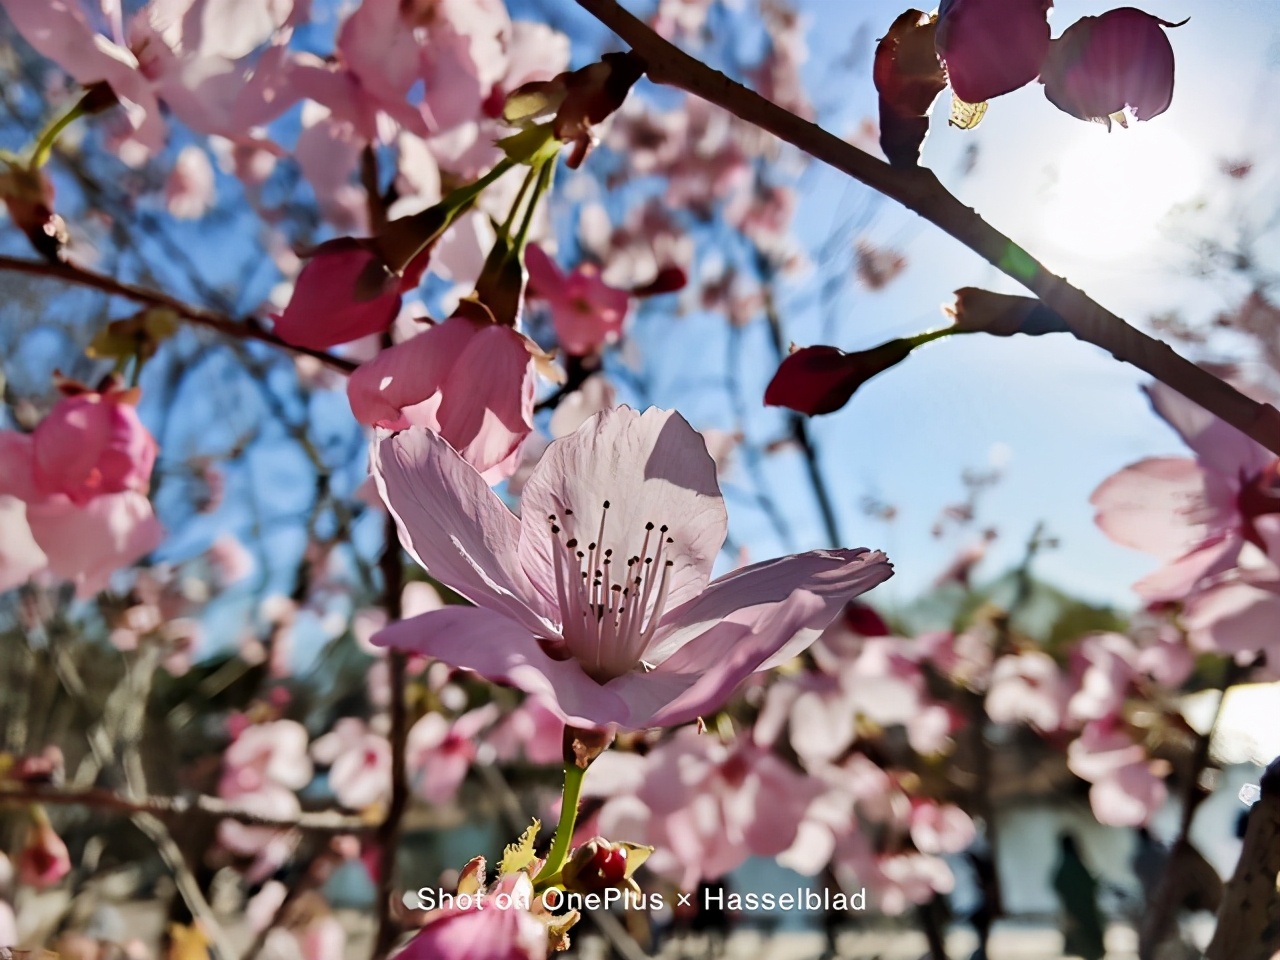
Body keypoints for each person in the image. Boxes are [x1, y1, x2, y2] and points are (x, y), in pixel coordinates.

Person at [1052, 832, 1106, 960]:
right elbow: (1090, 886)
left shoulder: (1065, 867)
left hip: (1075, 913)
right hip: (1086, 913)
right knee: (1090, 946)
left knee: (1084, 946)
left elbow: (1057, 885)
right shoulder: (1077, 866)